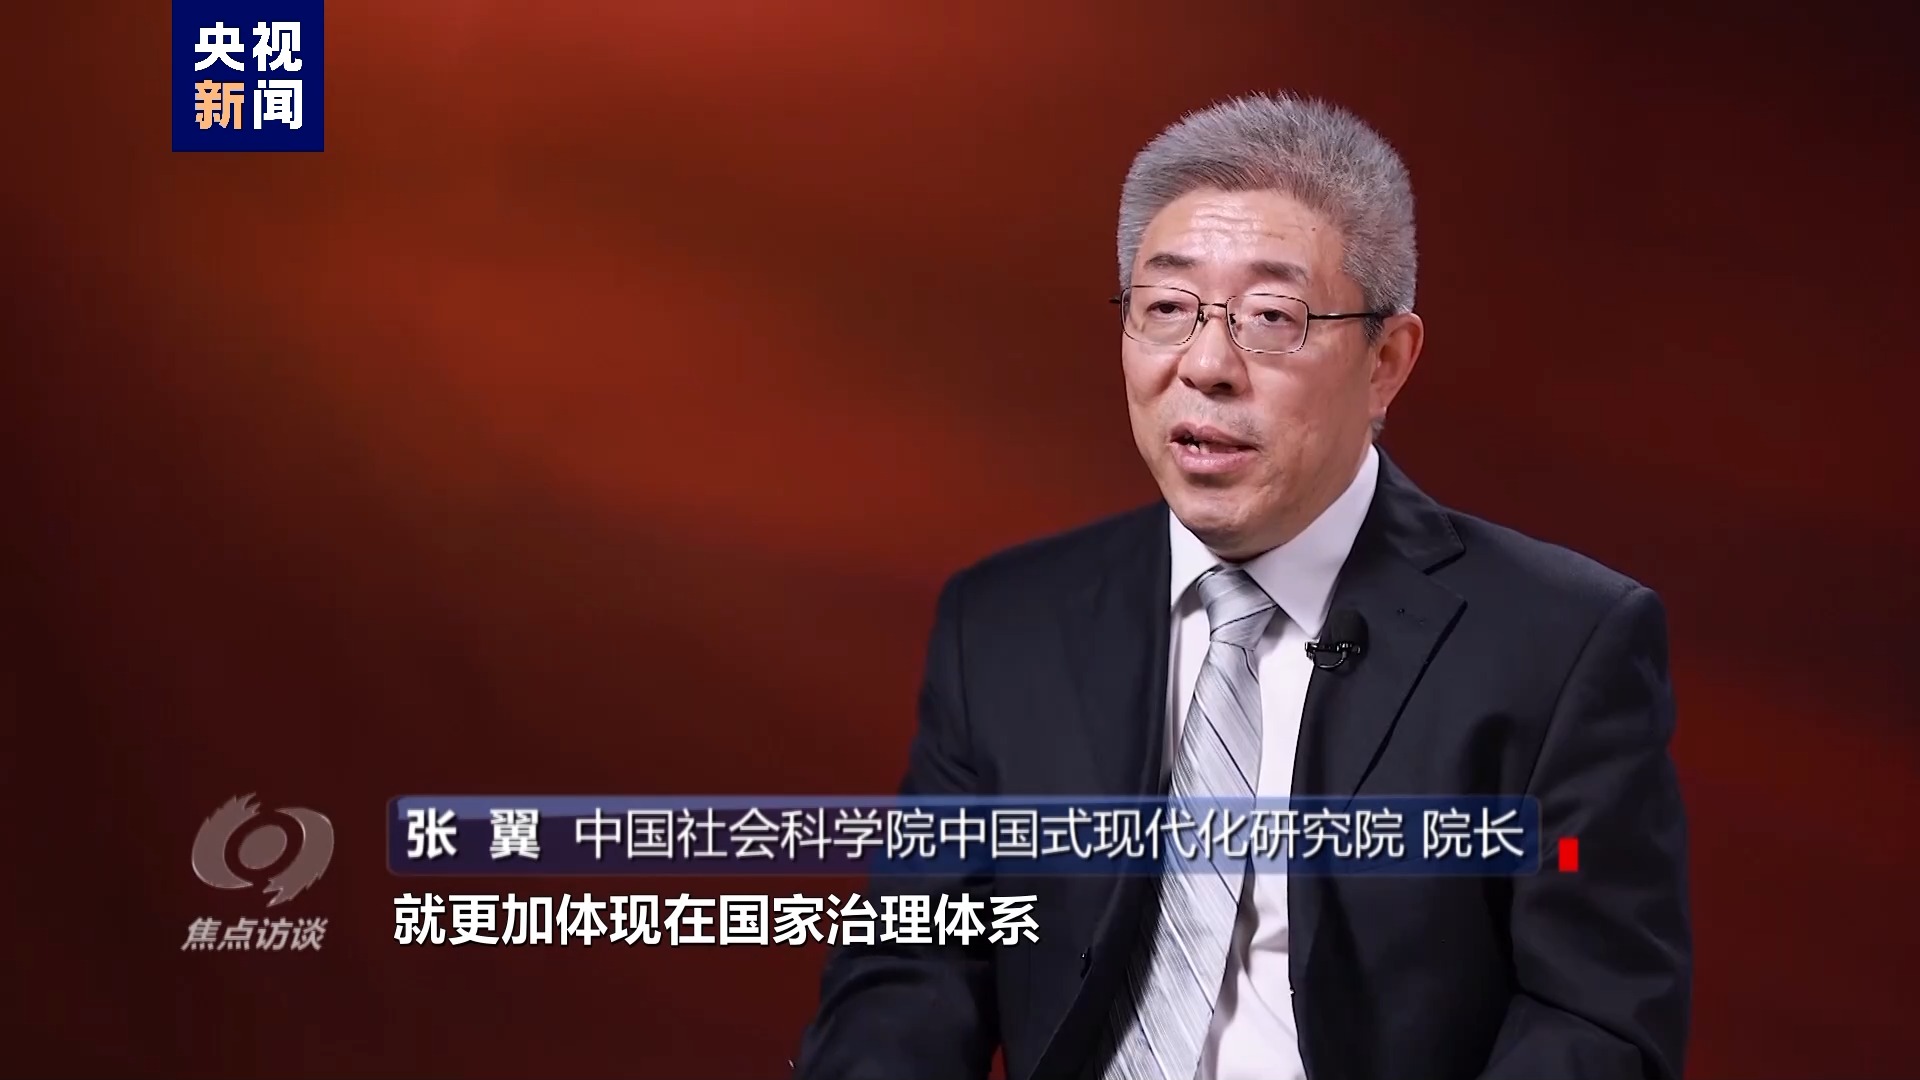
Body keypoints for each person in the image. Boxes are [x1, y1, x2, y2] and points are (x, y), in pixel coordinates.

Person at [792, 91, 1691, 1080]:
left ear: (1387, 362)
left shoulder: (1559, 644)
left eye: (1272, 318)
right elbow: (916, 961)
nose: (1208, 365)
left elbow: (1598, 1021)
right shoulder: (1006, 622)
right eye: (1166, 310)